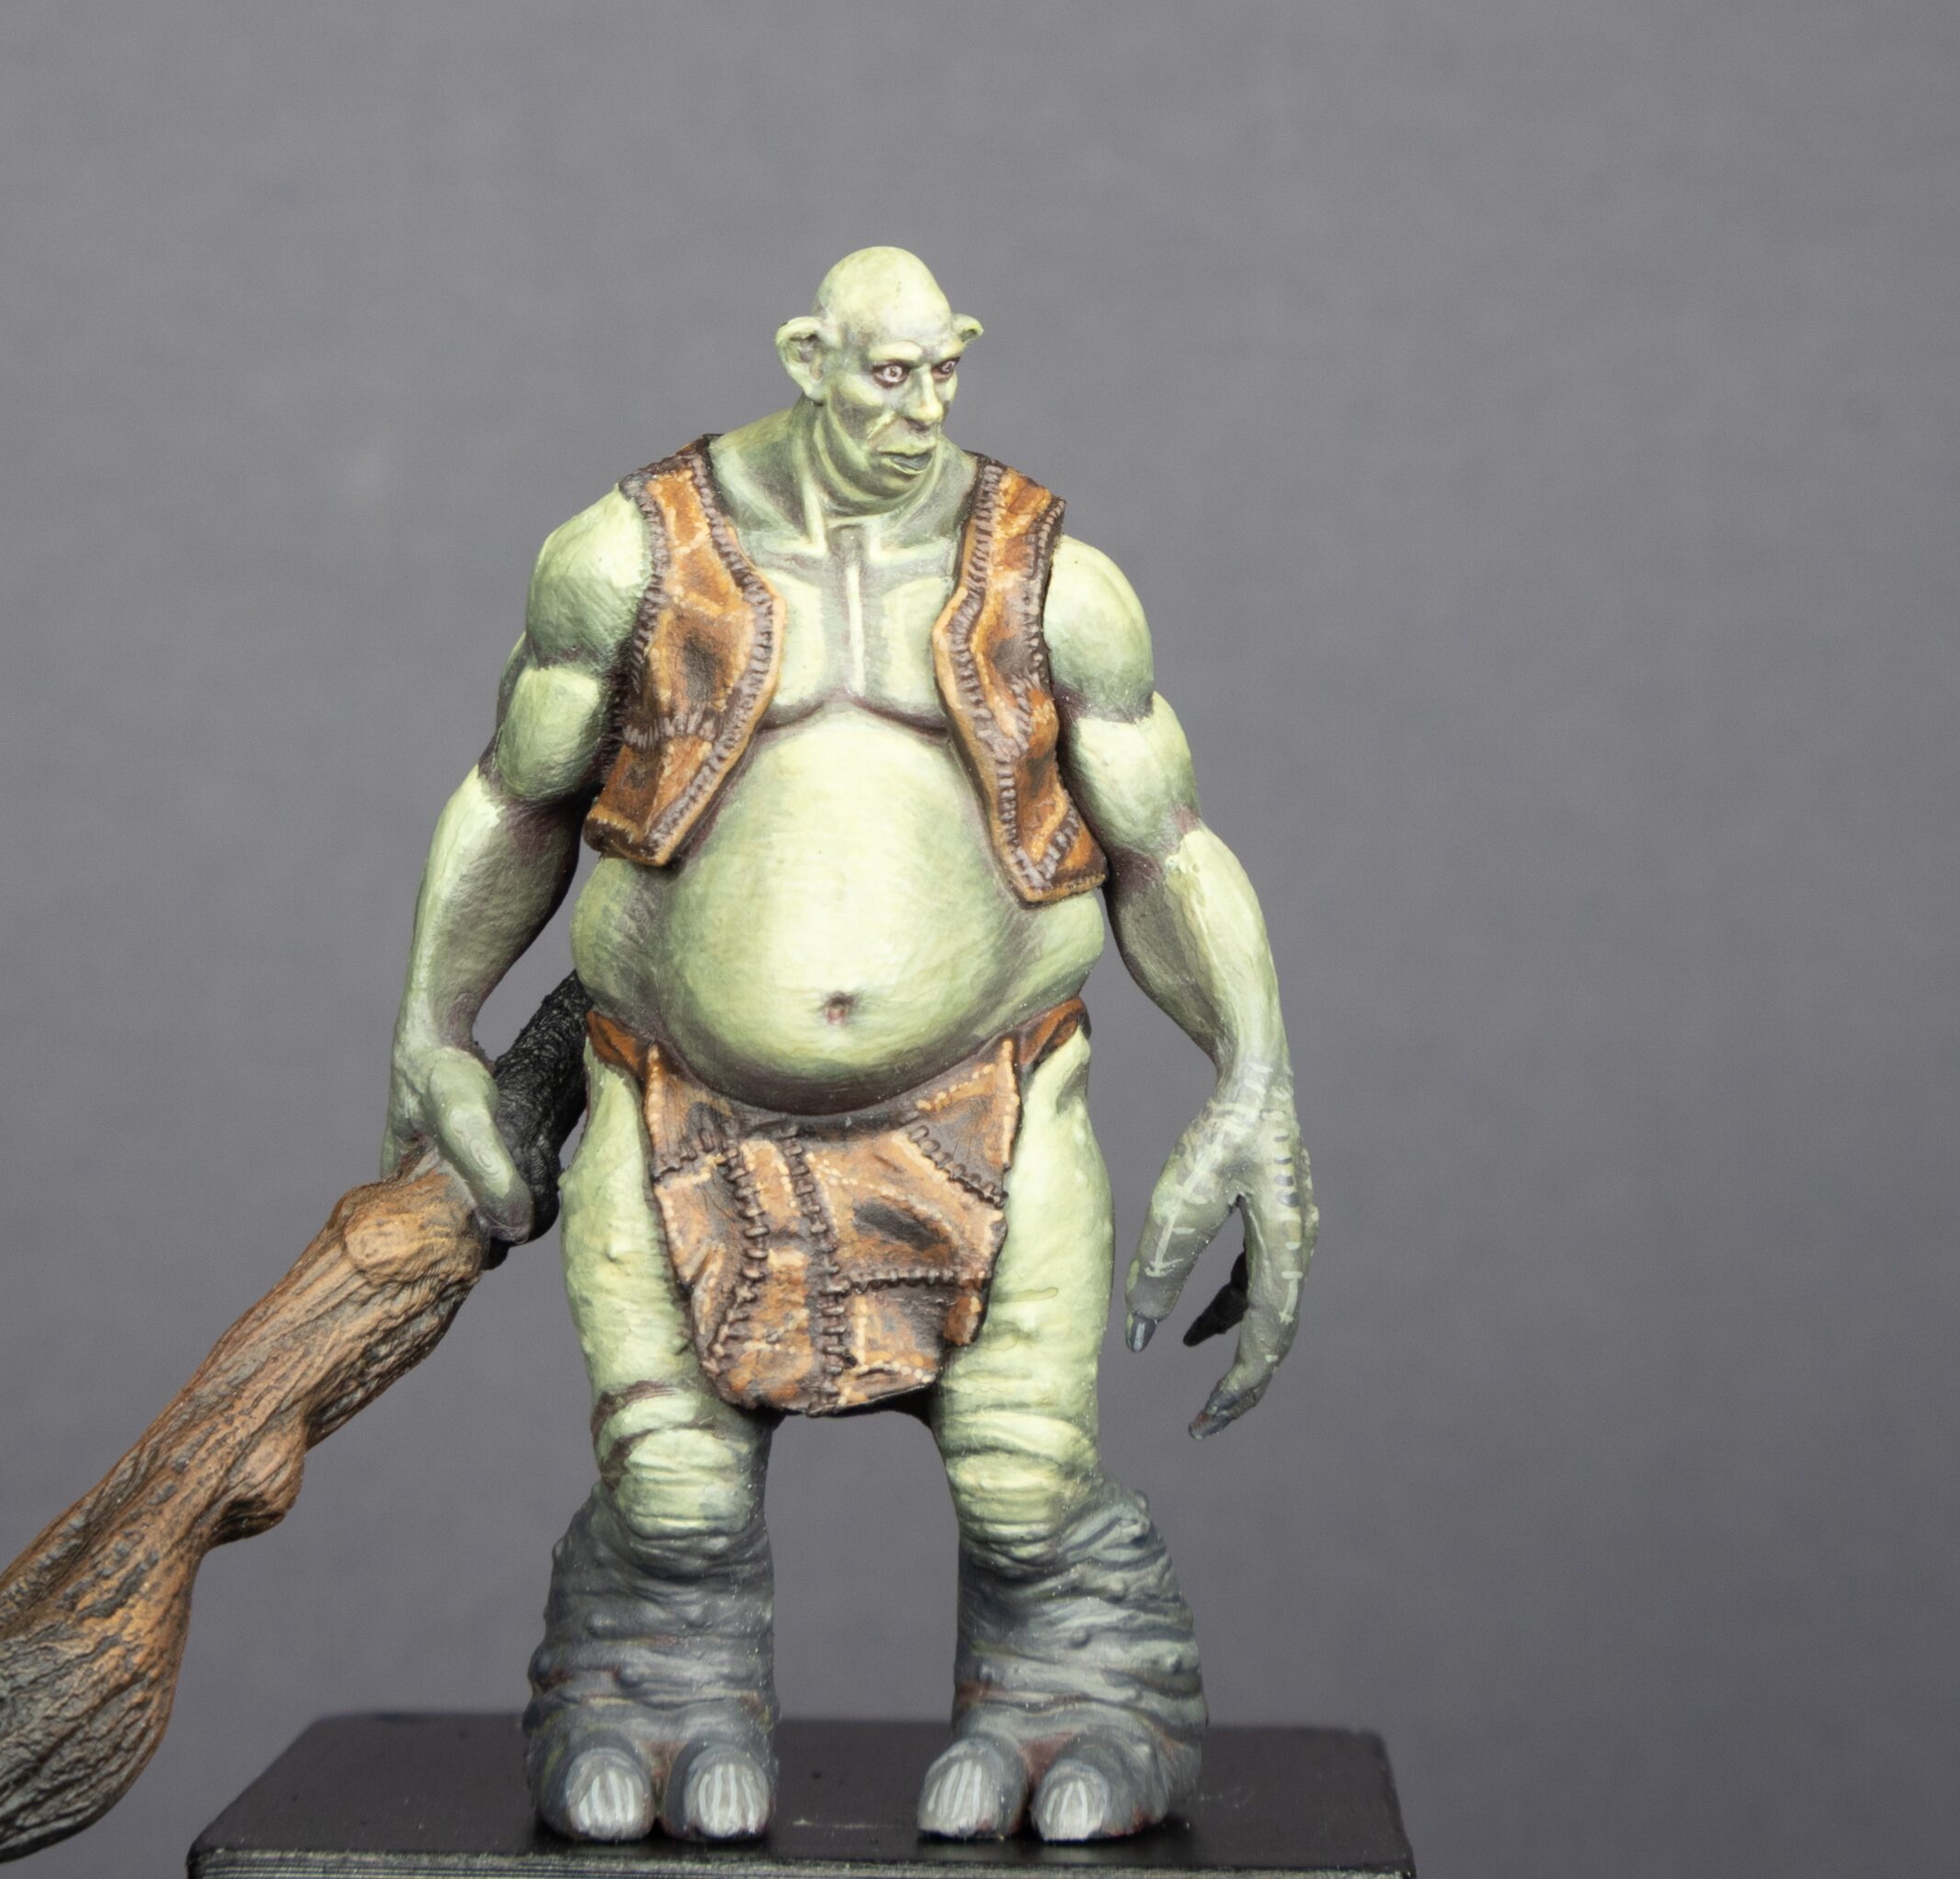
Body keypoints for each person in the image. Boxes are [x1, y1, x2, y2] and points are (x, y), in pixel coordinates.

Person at [385, 246, 1315, 1844]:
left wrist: (1256, 1083)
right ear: (806, 355)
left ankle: (1087, 1694)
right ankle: (647, 1684)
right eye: (889, 375)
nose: (923, 408)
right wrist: (431, 1026)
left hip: (996, 1092)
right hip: (673, 1095)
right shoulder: (626, 557)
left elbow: (1164, 847)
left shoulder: (1052, 582)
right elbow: (516, 797)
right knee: (669, 1495)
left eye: (945, 371)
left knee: (1029, 1485)